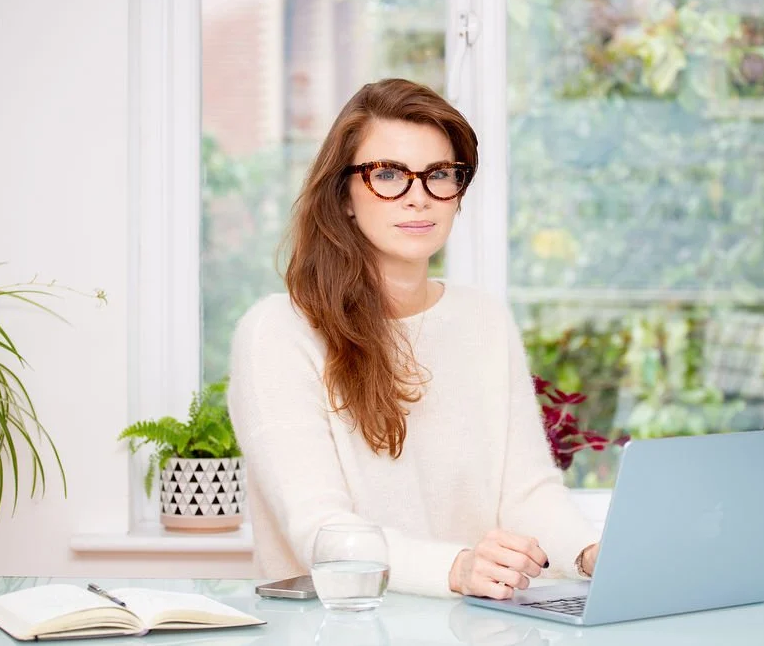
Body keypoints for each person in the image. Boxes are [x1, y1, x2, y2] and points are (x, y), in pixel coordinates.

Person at [228, 78, 599, 599]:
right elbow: (321, 532)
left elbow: (526, 492)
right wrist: (457, 569)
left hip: (479, 626)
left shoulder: (484, 319)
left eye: (439, 175)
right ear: (345, 195)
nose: (419, 198)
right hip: (341, 632)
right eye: (388, 175)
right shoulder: (277, 333)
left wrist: (589, 553)